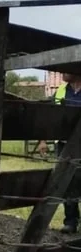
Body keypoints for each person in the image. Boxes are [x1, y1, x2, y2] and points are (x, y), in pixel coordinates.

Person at [38, 73, 81, 233]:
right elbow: (49, 116)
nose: (62, 73)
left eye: (66, 69)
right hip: (64, 145)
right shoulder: (61, 91)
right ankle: (71, 222)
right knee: (67, 182)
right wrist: (43, 140)